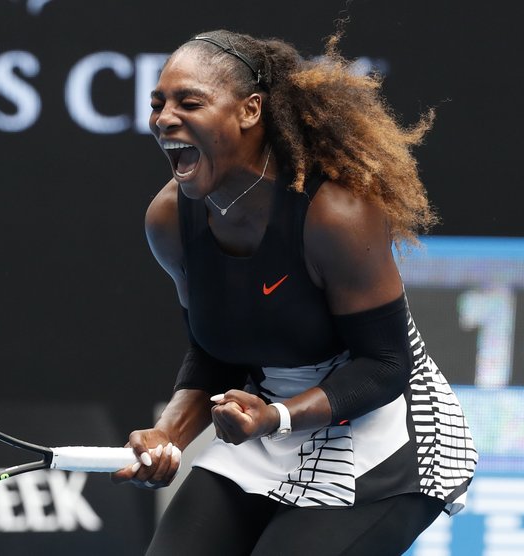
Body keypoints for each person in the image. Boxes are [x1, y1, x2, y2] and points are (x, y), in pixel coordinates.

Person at [112, 29, 477, 555]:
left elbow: (385, 366)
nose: (164, 118)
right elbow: (213, 352)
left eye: (189, 102)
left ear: (250, 111)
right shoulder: (168, 219)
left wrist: (275, 417)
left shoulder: (335, 213)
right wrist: (168, 433)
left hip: (388, 434)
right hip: (266, 426)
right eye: (158, 104)